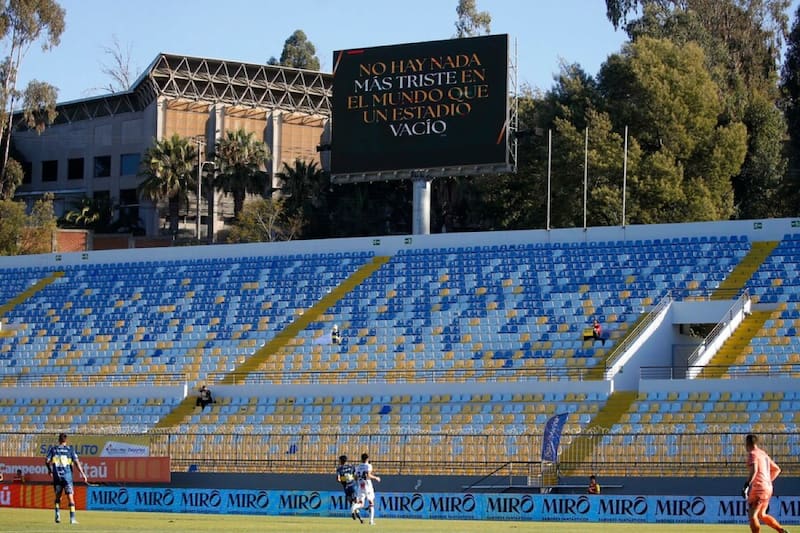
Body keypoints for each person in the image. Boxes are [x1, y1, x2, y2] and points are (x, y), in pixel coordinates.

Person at [744, 434, 789, 533]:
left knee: (752, 515)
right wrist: (767, 481)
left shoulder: (753, 454)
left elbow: (754, 471)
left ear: (747, 443)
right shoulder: (763, 454)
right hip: (768, 488)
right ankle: (781, 530)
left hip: (759, 489)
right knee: (762, 515)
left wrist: (746, 485)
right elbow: (777, 469)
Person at [45, 432, 88, 525]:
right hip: (67, 477)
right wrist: (83, 474)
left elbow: (47, 460)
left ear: (58, 440)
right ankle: (72, 519)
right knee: (70, 498)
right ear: (66, 440)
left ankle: (57, 514)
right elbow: (77, 462)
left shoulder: (53, 449)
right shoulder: (70, 450)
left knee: (58, 497)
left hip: (57, 477)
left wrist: (50, 470)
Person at [353, 452, 381, 526]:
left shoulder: (357, 467)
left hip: (360, 485)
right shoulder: (368, 466)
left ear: (361, 459)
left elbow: (355, 478)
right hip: (367, 485)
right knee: (371, 502)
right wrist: (376, 478)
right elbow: (368, 475)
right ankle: (371, 521)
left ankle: (354, 507)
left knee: (361, 503)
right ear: (367, 459)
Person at [336, 455, 360, 523]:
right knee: (356, 500)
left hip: (346, 487)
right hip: (353, 485)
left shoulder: (339, 469)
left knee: (350, 501)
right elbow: (356, 476)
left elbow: (338, 479)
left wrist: (343, 480)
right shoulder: (351, 466)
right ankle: (355, 512)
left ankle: (355, 512)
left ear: (341, 461)